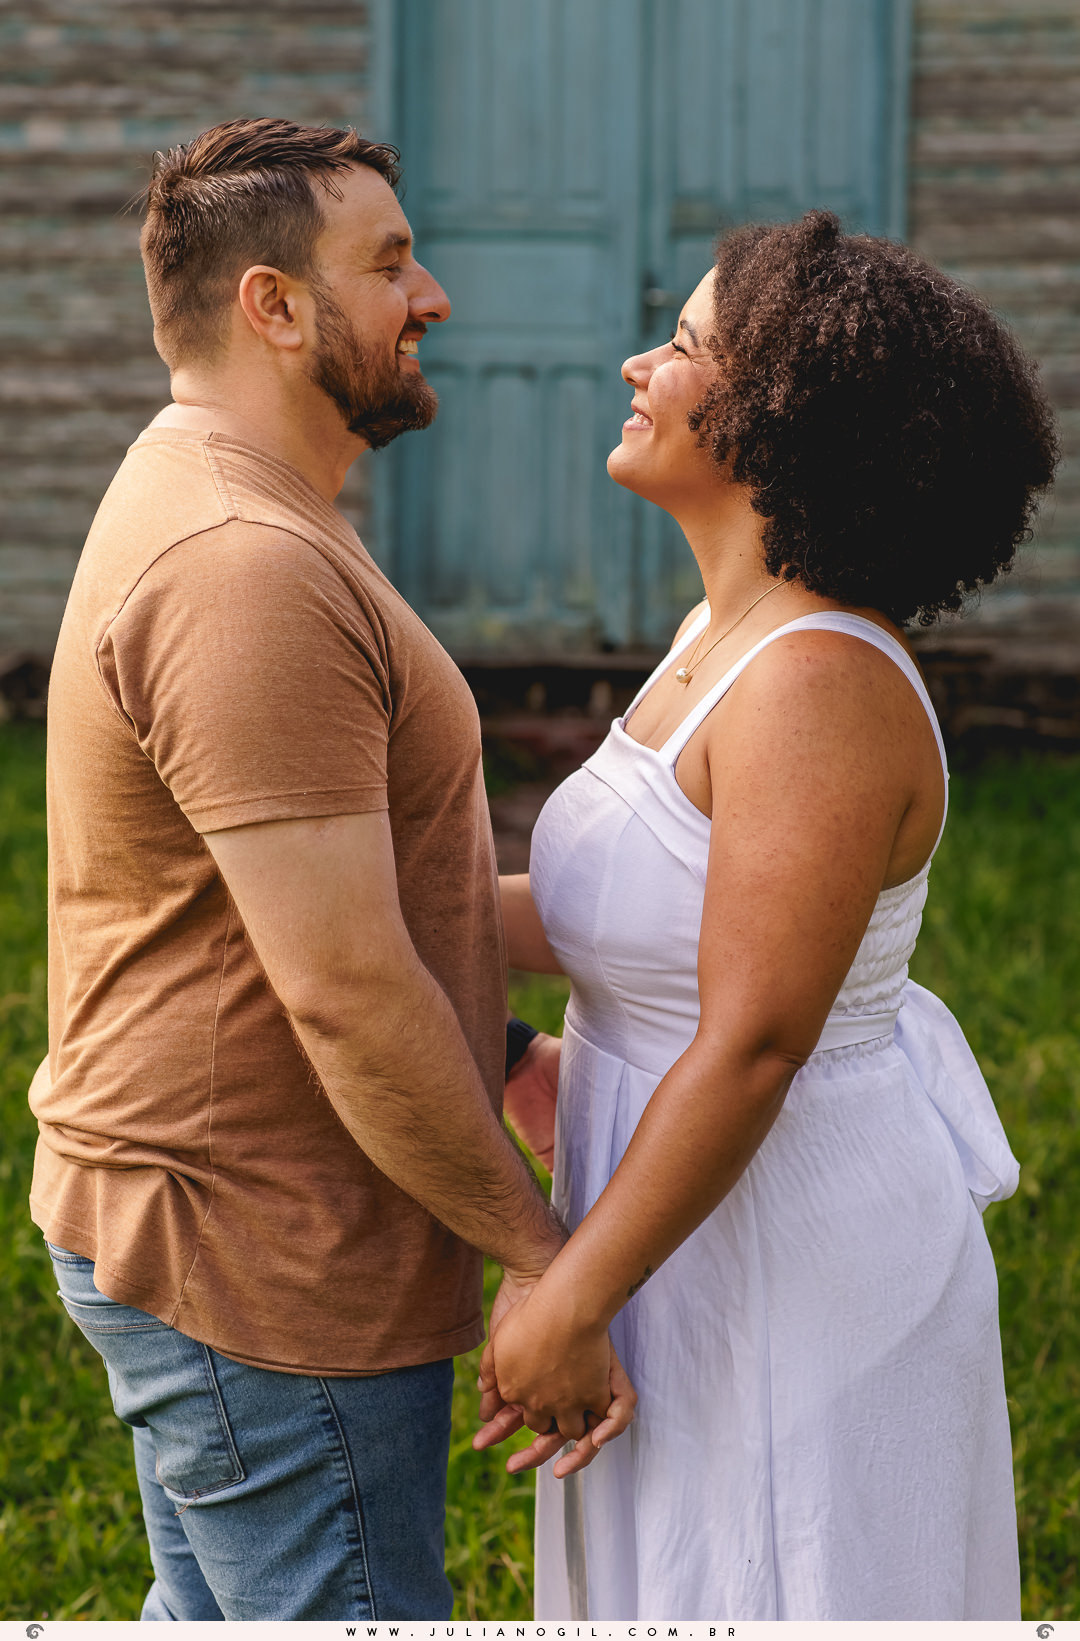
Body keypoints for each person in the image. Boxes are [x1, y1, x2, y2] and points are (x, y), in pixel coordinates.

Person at [28, 117, 632, 1623]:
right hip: (260, 1255)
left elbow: (297, 902)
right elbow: (347, 986)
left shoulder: (239, 504)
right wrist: (545, 1258)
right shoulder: (244, 566)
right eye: (392, 263)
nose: (432, 296)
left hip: (232, 1219)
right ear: (275, 306)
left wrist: (498, 1041)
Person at [476, 210, 1058, 1620]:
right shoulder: (716, 636)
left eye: (681, 344)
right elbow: (619, 922)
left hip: (786, 1244)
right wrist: (336, 916)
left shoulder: (818, 682)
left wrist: (571, 1293)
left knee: (780, 1572)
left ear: (786, 419)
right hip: (674, 1206)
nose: (636, 365)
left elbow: (751, 1041)